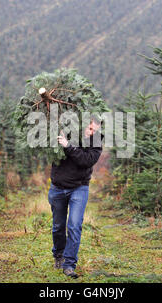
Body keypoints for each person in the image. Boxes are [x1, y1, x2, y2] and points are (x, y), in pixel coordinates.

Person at [48, 117, 103, 279]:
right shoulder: (68, 132)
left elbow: (87, 160)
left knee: (74, 225)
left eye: (94, 130)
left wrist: (68, 146)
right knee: (58, 226)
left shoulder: (96, 142)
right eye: (89, 128)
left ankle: (69, 264)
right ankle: (59, 255)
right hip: (57, 187)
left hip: (79, 188)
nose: (91, 132)